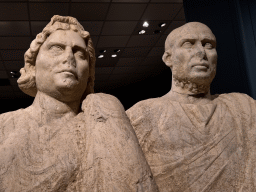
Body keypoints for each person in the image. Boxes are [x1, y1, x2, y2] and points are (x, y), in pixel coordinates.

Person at [0, 15, 158, 192]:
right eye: (56, 48)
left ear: (89, 74)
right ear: (33, 66)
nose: (69, 58)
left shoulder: (102, 120)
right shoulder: (4, 125)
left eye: (80, 53)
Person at [126, 22, 256, 192]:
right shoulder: (143, 115)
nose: (201, 52)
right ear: (168, 58)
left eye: (208, 45)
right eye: (188, 44)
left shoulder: (244, 107)